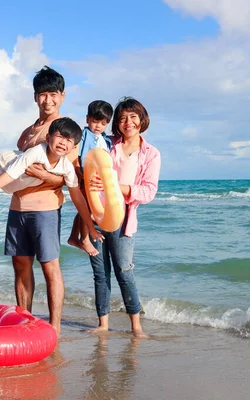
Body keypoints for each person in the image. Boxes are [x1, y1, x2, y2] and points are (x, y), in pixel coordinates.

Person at [0, 66, 75, 336]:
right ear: (35, 97)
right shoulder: (27, 133)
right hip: (17, 208)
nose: (47, 100)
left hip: (45, 208)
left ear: (62, 96)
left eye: (52, 94)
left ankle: (55, 328)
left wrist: (38, 173)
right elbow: (11, 174)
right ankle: (25, 321)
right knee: (21, 266)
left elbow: (66, 178)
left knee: (50, 267)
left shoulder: (64, 131)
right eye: (41, 94)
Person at [86, 97, 161, 337]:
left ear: (142, 120)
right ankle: (103, 325)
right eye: (122, 117)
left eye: (133, 116)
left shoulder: (150, 153)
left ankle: (136, 327)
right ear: (116, 122)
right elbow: (89, 165)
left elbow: (149, 191)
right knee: (100, 273)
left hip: (122, 220)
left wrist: (117, 187)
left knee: (124, 271)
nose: (128, 122)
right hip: (96, 213)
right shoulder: (107, 144)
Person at [0, 118, 104, 245]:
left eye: (68, 140)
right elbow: (9, 175)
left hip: (10, 181)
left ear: (73, 148)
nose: (63, 143)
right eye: (60, 137)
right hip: (0, 163)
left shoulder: (66, 167)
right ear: (48, 138)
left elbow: (78, 198)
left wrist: (91, 228)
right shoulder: (36, 153)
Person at [67, 100, 114, 256]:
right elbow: (77, 155)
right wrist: (79, 173)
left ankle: (74, 237)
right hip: (84, 176)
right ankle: (85, 239)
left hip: (96, 179)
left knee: (83, 209)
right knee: (87, 209)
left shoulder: (105, 139)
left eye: (103, 123)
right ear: (87, 119)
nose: (98, 126)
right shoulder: (83, 135)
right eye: (95, 121)